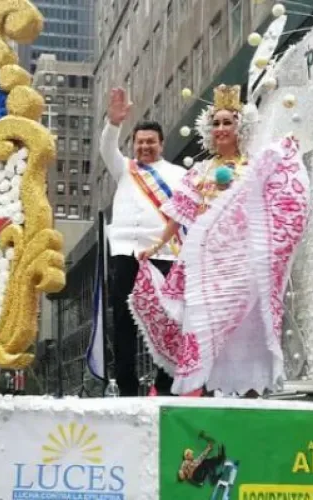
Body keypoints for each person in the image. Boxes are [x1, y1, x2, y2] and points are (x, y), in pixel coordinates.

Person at [129, 84, 310, 397]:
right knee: (207, 332)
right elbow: (179, 216)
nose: (222, 128)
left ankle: (252, 396)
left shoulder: (254, 167)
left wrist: (285, 151)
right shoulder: (200, 171)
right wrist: (156, 247)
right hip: (204, 266)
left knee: (244, 330)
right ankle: (211, 397)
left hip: (242, 265)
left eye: (228, 122)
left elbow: (273, 202)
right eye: (216, 123)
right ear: (208, 131)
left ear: (240, 127)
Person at [99, 87, 186, 397]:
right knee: (123, 321)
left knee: (166, 319)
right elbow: (107, 146)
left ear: (161, 145)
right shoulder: (124, 169)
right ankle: (127, 389)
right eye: (140, 142)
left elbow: (187, 212)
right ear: (133, 145)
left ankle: (164, 386)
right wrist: (114, 122)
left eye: (151, 142)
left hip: (165, 255)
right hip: (125, 255)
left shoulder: (178, 175)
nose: (146, 146)